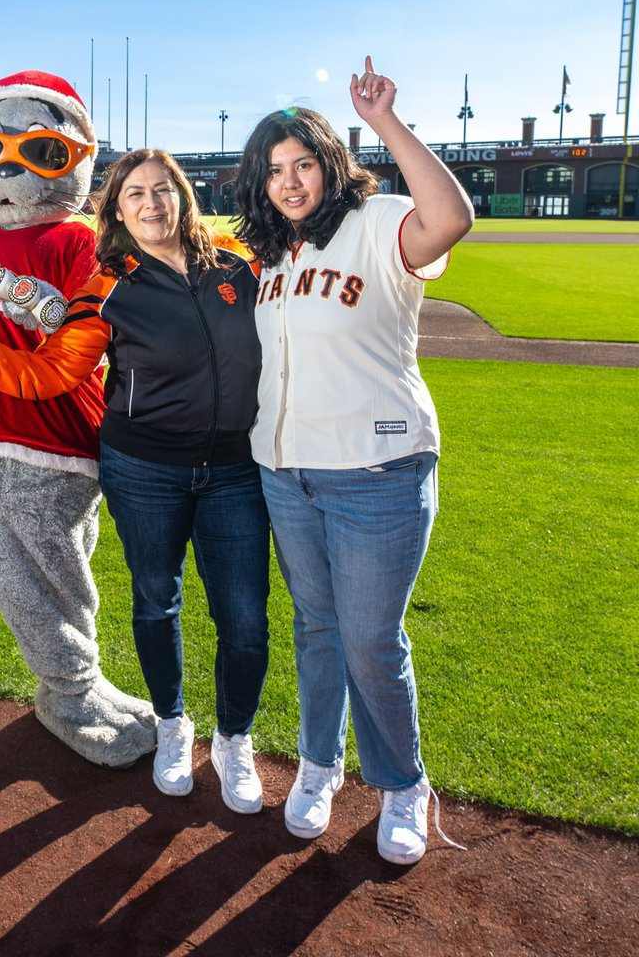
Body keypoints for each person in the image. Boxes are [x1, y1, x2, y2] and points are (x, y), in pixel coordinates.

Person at [0, 149, 271, 811]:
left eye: (162, 189)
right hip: (145, 470)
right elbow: (50, 373)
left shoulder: (238, 263)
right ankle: (173, 725)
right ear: (116, 210)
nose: (151, 203)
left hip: (235, 471)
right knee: (156, 602)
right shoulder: (108, 283)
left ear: (183, 195)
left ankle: (234, 739)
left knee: (245, 618)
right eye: (135, 194)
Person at [234, 57, 474, 865]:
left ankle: (403, 785)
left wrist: (385, 123)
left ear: (330, 164)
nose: (290, 181)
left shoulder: (378, 221)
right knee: (317, 628)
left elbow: (451, 218)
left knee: (371, 639)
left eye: (303, 163)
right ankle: (319, 763)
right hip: (286, 474)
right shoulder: (273, 254)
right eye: (275, 169)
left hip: (378, 472)